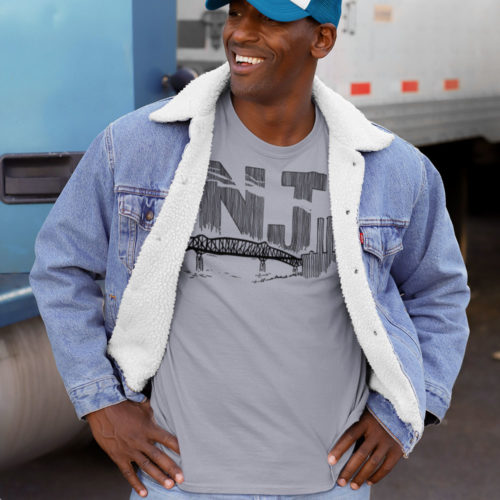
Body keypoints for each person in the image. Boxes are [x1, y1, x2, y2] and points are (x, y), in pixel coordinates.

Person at [29, 0, 470, 498]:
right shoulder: (137, 146)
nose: (242, 33)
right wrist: (100, 403)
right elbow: (60, 266)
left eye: (271, 19)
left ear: (321, 39)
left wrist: (402, 413)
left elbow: (439, 294)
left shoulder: (393, 170)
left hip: (329, 483)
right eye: (238, 13)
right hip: (178, 480)